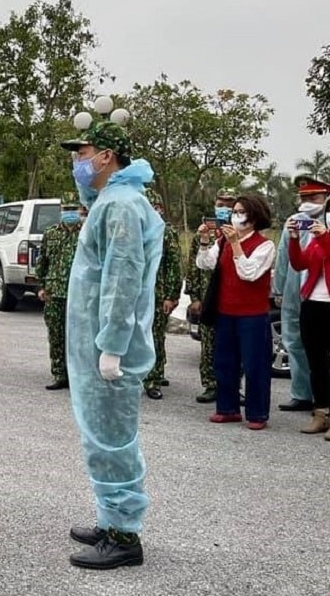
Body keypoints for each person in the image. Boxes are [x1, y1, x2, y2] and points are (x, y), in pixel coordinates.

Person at [60, 108, 163, 570]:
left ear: (105, 157)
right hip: (100, 341)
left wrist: (112, 345)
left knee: (114, 437)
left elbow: (123, 278)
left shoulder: (120, 205)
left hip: (111, 347)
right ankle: (111, 516)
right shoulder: (111, 201)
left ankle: (125, 536)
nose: (76, 162)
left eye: (81, 154)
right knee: (102, 435)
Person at [196, 194, 275, 430]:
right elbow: (205, 263)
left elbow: (248, 273)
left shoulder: (265, 245)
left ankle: (257, 413)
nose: (235, 216)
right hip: (225, 312)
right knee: (225, 363)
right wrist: (204, 240)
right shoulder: (222, 242)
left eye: (241, 212)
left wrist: (236, 245)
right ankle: (227, 408)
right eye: (234, 211)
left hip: (252, 315)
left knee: (255, 366)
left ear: (253, 218)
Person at [273, 177, 329, 412]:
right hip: (297, 289)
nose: (307, 203)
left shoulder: (326, 222)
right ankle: (301, 394)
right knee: (294, 341)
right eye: (304, 198)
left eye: (313, 198)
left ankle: (323, 398)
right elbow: (284, 257)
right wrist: (278, 289)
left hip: (323, 290)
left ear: (326, 198)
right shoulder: (294, 221)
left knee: (322, 349)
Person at [185, 187, 238, 403]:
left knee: (233, 346)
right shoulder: (203, 233)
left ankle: (233, 386)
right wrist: (195, 298)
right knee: (208, 345)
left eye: (229, 204)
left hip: (231, 299)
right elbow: (193, 268)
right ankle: (210, 385)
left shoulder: (239, 233)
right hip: (207, 298)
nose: (224, 208)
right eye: (221, 203)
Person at [287, 187, 330, 438]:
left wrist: (325, 237)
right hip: (313, 302)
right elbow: (300, 263)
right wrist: (294, 239)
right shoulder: (317, 237)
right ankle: (321, 412)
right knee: (317, 361)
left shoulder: (323, 237)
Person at [35, 192, 85, 390]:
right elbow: (42, 262)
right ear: (61, 211)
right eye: (67, 210)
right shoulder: (51, 233)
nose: (70, 213)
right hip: (55, 292)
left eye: (74, 209)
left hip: (80, 294)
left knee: (79, 337)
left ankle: (77, 375)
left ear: (80, 210)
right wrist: (40, 286)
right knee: (56, 335)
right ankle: (59, 374)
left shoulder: (87, 233)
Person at [142, 188, 183, 400]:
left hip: (158, 294)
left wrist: (171, 295)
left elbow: (174, 266)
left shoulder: (166, 233)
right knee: (138, 336)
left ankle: (153, 379)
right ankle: (140, 373)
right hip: (138, 293)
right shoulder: (135, 229)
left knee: (155, 337)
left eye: (154, 207)